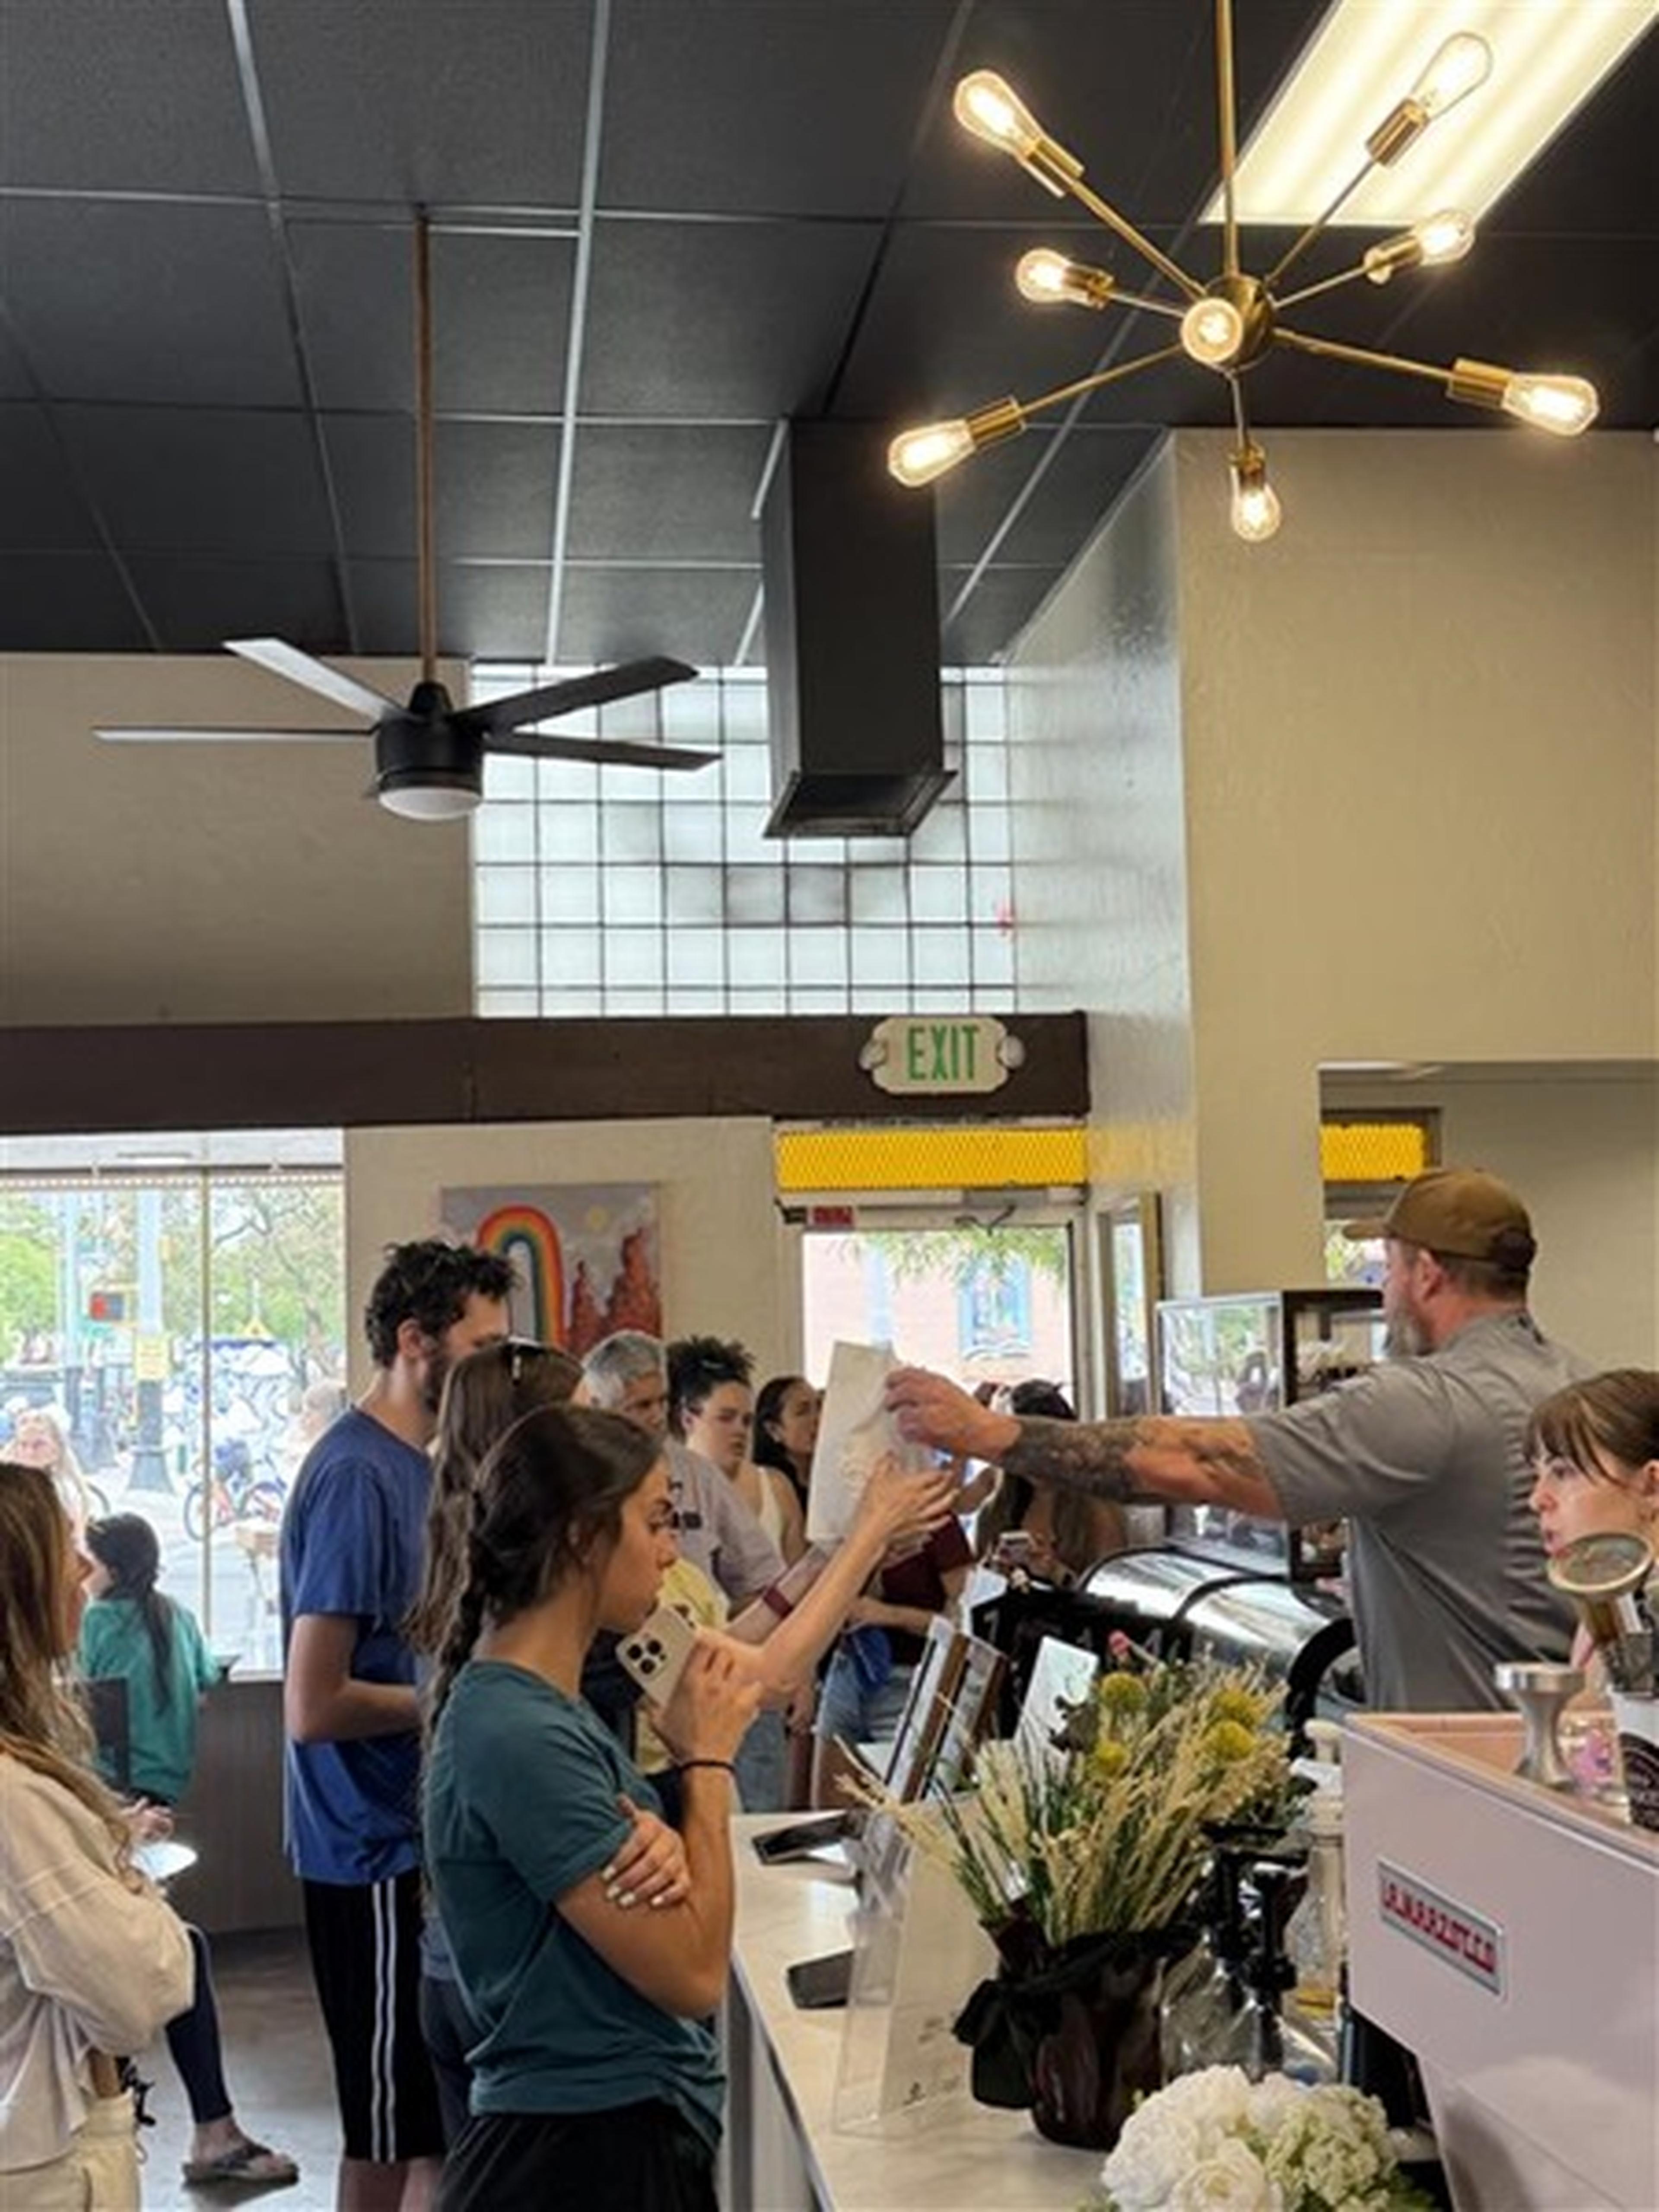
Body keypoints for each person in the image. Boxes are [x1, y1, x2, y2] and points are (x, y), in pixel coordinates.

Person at [888, 1168, 1585, 1712]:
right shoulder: (1578, 1385)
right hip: (1567, 1756)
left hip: (1469, 1770)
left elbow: (1196, 1462)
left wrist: (990, 1433)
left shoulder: (1424, 1402)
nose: (1384, 1290)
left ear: (1427, 1273)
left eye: (1390, 1269)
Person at [423, 1404, 760, 2211]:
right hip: (579, 2153)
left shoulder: (547, 1711)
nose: (670, 1551)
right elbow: (692, 1974)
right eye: (655, 1522)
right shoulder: (518, 1732)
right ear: (582, 1537)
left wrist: (674, 1844)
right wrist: (706, 1765)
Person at [280, 1238, 513, 2212]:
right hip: (367, 1848)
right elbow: (313, 1702)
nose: (497, 1370)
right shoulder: (356, 1476)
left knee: (428, 2133)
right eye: (483, 1347)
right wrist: (457, 1698)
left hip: (413, 1837)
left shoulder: (419, 1468)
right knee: (388, 2136)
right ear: (417, 1341)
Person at [73, 1515, 300, 2189]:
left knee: (175, 1949)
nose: (79, 1576)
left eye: (85, 1560)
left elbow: (89, 1716)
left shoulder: (92, 1627)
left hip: (118, 1796)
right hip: (158, 1791)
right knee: (176, 1949)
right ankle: (207, 2130)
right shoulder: (175, 1615)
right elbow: (204, 1685)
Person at [0, 1457, 194, 2208]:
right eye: (65, 1548)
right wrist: (127, 1876)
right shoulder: (16, 1799)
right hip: (38, 2164)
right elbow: (140, 1992)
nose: (84, 1569)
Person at [1527, 1369, 1659, 1683]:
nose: (1537, 1500)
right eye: (1537, 1475)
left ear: (1652, 1487)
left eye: (1563, 1472)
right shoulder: (1615, 1603)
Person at [667, 1337, 806, 1567]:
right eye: (725, 1418)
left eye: (747, 1421)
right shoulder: (670, 1490)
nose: (740, 1431)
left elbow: (801, 1578)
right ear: (688, 1419)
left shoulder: (776, 1488)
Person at [971, 1381, 1127, 1582]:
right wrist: (990, 1573)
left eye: (1046, 1450)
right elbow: (974, 1594)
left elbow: (1113, 1590)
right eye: (1023, 1451)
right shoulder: (994, 1512)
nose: (1036, 1462)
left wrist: (1057, 1573)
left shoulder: (1098, 1510)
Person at [751, 1373, 821, 1512]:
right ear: (774, 1430)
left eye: (820, 1407)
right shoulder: (768, 1487)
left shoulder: (830, 1479)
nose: (818, 1419)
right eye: (803, 1412)